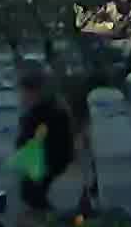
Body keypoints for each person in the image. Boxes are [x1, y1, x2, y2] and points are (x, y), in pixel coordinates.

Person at [8, 65, 78, 218]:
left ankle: (48, 224)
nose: (21, 96)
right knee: (32, 197)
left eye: (23, 92)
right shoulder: (52, 107)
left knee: (33, 197)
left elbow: (33, 141)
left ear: (34, 91)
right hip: (51, 162)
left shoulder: (43, 112)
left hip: (47, 163)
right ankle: (45, 223)